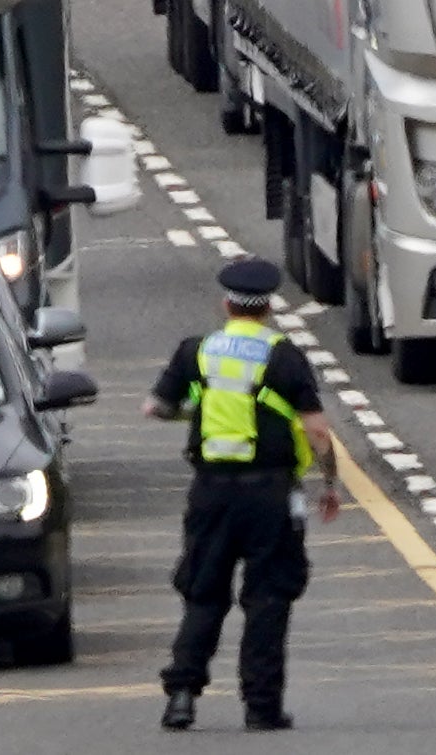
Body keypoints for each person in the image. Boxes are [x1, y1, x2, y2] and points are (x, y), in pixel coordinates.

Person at [144, 254, 339, 731]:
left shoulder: (197, 351)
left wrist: (201, 408)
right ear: (268, 306)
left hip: (211, 492)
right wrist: (329, 485)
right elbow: (317, 432)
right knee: (269, 597)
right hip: (270, 494)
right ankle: (261, 707)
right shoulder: (285, 355)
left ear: (225, 302)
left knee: (203, 592)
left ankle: (182, 697)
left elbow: (156, 407)